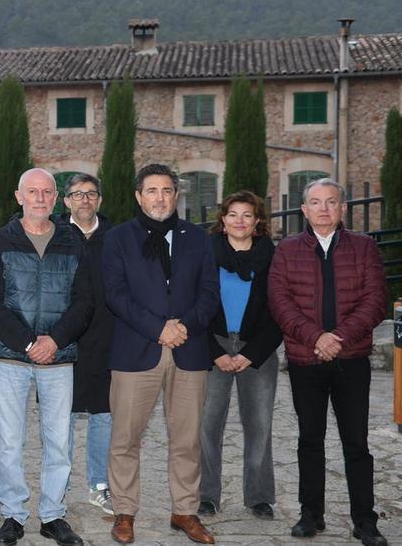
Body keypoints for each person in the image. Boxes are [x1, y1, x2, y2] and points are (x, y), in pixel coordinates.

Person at [102, 164, 219, 545]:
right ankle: (124, 511)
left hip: (189, 348)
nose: (160, 198)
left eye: (167, 190)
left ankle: (185, 511)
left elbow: (209, 293)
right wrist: (159, 328)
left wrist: (183, 326)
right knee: (125, 438)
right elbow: (115, 294)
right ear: (139, 196)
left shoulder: (199, 239)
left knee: (186, 439)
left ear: (176, 195)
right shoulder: (118, 238)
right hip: (137, 350)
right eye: (152, 190)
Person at [268, 178, 388, 546]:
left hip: (351, 360)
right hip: (307, 360)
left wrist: (337, 338)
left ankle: (365, 522)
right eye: (316, 202)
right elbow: (278, 301)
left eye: (331, 202)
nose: (323, 208)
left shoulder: (365, 247)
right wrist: (315, 337)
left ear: (343, 208)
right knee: (310, 441)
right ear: (303, 210)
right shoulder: (286, 250)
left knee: (357, 443)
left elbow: (376, 299)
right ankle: (311, 515)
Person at [0, 169, 89, 546]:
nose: (40, 198)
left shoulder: (73, 241)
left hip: (59, 356)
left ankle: (52, 515)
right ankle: (13, 514)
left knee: (58, 439)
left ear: (56, 198)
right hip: (11, 356)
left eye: (47, 192)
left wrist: (55, 340)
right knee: (10, 439)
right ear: (18, 196)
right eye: (32, 191)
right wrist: (28, 343)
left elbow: (86, 300)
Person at [198, 191, 281, 520]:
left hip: (256, 348)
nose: (240, 221)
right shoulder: (206, 253)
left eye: (247, 215)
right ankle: (206, 495)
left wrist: (254, 353)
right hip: (214, 345)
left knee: (259, 424)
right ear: (222, 218)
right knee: (206, 425)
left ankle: (259, 496)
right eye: (233, 214)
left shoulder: (272, 257)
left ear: (258, 220)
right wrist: (215, 352)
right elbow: (194, 305)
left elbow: (280, 310)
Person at [57, 173, 115, 517]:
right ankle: (58, 486)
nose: (84, 200)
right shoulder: (55, 235)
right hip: (63, 337)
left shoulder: (117, 237)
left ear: (99, 200)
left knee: (103, 415)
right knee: (60, 416)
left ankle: (99, 485)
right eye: (77, 195)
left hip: (106, 337)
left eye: (91, 194)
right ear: (66, 201)